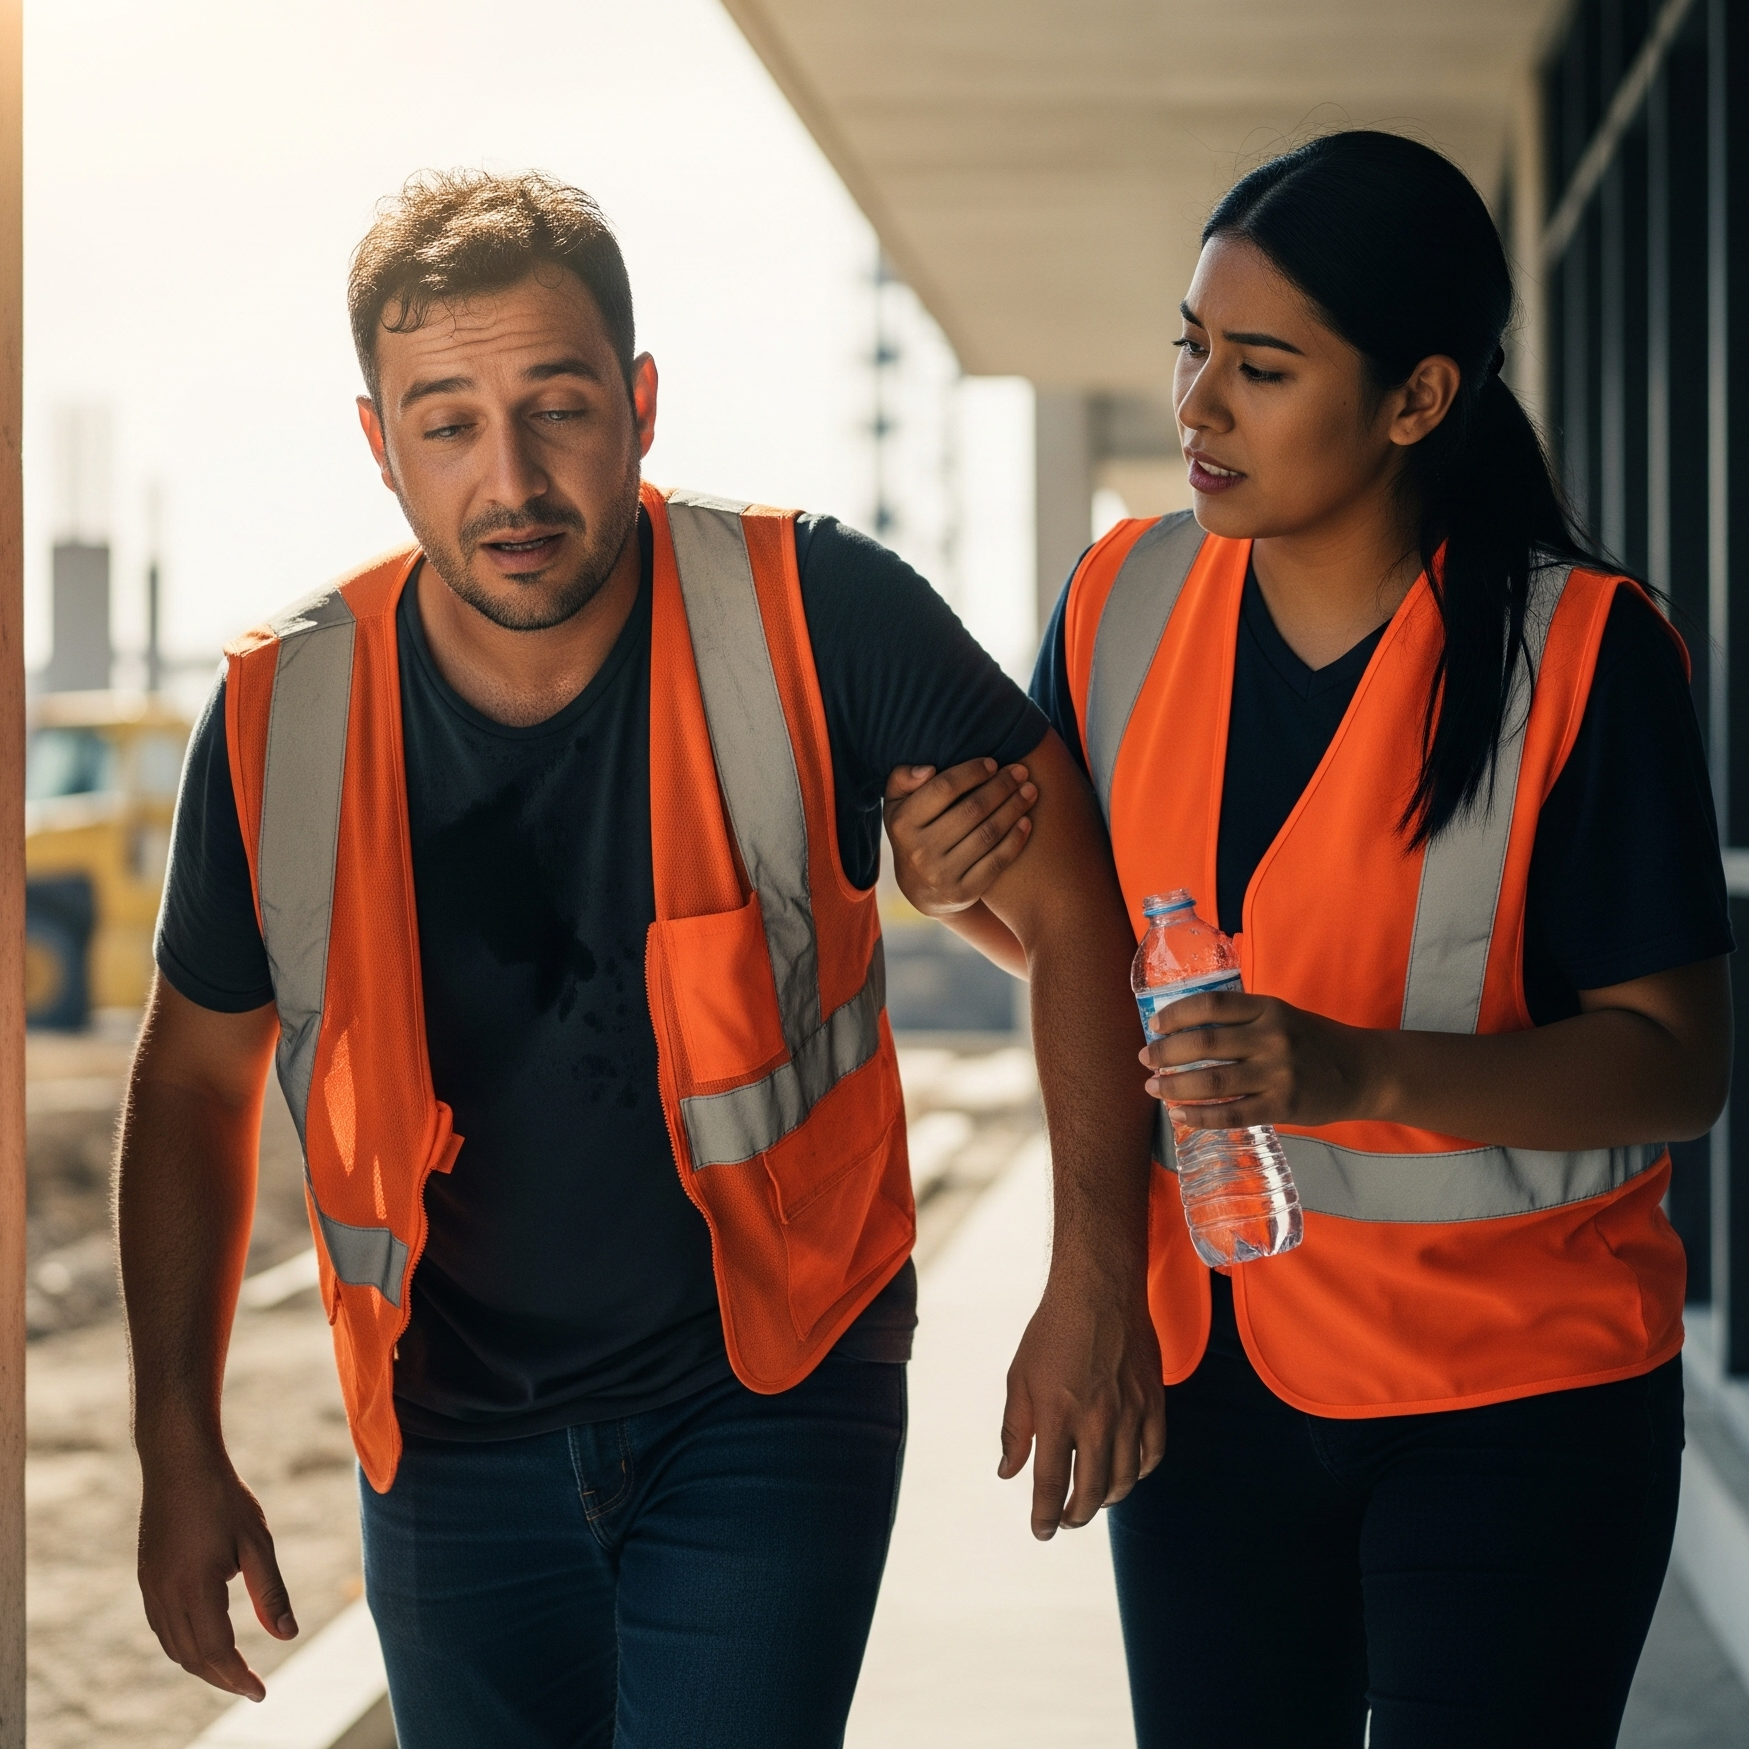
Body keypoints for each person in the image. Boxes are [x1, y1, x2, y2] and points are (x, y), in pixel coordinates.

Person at [115, 169, 1164, 1749]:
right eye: (449, 423)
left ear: (642, 403)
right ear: (378, 444)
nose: (512, 478)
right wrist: (177, 1448)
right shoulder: (283, 715)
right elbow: (192, 1078)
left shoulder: (820, 608)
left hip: (772, 1391)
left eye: (560, 408)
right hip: (447, 1440)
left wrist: (1095, 1280)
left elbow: (1080, 908)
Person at [883, 130, 1731, 1749]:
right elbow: (1108, 969)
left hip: (1518, 1398)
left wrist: (1349, 1067)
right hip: (1213, 1391)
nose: (1200, 405)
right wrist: (962, 893)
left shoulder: (1583, 654)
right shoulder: (1117, 600)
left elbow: (1678, 1065)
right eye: (1191, 348)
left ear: (1418, 398)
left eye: (1262, 368)